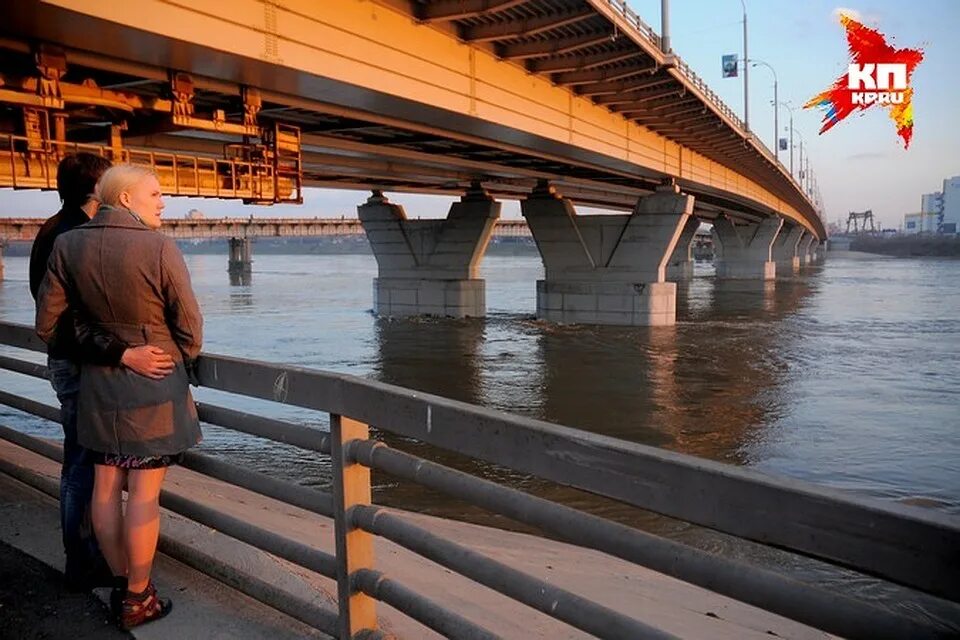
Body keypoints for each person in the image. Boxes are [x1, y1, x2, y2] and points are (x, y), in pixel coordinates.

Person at [36, 164, 203, 630]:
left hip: (97, 387)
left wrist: (114, 352)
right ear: (126, 198)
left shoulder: (69, 244)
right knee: (144, 496)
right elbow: (189, 327)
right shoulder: (159, 247)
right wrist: (171, 359)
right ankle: (137, 598)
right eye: (155, 193)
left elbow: (49, 325)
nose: (163, 201)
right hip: (153, 385)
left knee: (105, 489)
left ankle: (124, 580)